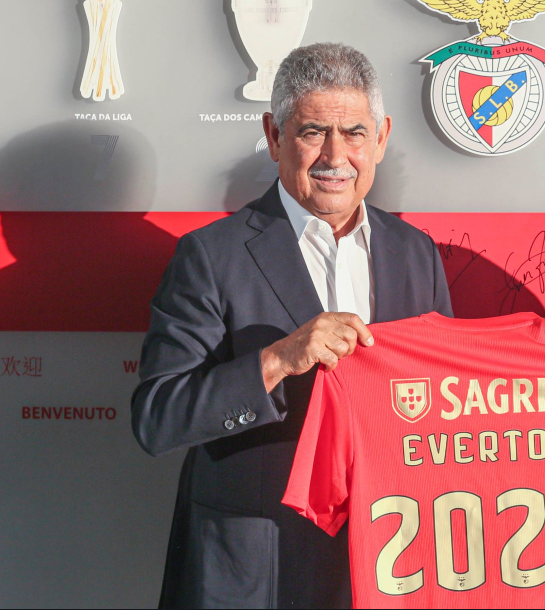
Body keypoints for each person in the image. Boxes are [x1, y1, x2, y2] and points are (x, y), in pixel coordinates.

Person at [131, 43, 452, 609]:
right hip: (254, 565)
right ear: (275, 136)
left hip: (387, 558)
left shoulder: (416, 252)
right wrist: (277, 360)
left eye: (354, 132)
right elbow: (158, 419)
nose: (335, 155)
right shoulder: (210, 256)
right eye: (312, 132)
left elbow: (444, 405)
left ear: (381, 138)